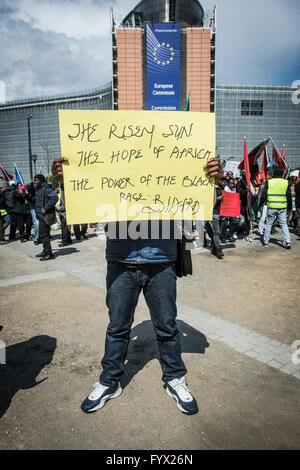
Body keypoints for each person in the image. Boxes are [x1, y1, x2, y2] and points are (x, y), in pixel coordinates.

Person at [52, 156, 222, 415]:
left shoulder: (172, 164)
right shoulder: (111, 164)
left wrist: (210, 180)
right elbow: (84, 203)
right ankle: (109, 381)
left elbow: (196, 204)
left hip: (161, 261)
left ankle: (175, 378)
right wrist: (69, 182)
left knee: (167, 326)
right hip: (121, 261)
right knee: (118, 327)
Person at [260, 167, 292, 248]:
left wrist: (260, 204)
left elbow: (264, 195)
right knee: (284, 224)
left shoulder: (269, 182)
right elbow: (289, 196)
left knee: (268, 224)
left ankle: (266, 242)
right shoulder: (286, 182)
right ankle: (288, 242)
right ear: (281, 174)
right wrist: (290, 207)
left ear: (273, 173)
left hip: (271, 207)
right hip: (282, 207)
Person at [33, 174, 58, 261]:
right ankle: (45, 251)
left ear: (41, 180)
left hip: (45, 216)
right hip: (40, 216)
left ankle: (49, 254)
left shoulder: (46, 188)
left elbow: (55, 198)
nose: (34, 181)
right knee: (42, 235)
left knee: (45, 235)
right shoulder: (38, 188)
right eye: (34, 180)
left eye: (36, 180)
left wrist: (45, 208)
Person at [205, 178, 224, 259]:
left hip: (221, 213)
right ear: (217, 180)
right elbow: (208, 201)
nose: (223, 181)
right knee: (216, 232)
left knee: (217, 232)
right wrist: (217, 199)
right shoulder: (211, 189)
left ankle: (214, 249)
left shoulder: (221, 188)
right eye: (221, 180)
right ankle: (219, 250)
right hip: (214, 212)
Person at [220, 178, 240, 243]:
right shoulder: (224, 189)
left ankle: (230, 233)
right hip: (226, 209)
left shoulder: (234, 189)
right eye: (230, 183)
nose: (232, 185)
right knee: (225, 224)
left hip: (232, 208)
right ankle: (223, 237)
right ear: (228, 183)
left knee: (235, 222)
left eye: (233, 183)